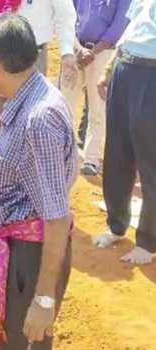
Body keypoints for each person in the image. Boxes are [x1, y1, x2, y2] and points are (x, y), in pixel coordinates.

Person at [0, 14, 76, 350]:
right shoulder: (31, 95)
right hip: (18, 245)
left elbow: (57, 217)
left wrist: (43, 299)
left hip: (31, 255)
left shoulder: (39, 120)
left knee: (22, 342)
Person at [93, 0, 156, 265]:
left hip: (151, 75)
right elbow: (128, 31)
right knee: (117, 152)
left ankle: (148, 242)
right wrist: (108, 70)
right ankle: (116, 225)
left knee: (150, 159)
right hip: (125, 69)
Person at [0, 0, 77, 144]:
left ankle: (24, 165)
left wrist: (67, 53)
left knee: (28, 116)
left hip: (31, 57)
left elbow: (65, 15)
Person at [60, 0, 131, 177]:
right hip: (75, 51)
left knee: (97, 108)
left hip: (103, 54)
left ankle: (91, 159)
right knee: (64, 104)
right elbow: (69, 16)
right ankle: (62, 152)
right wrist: (77, 47)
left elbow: (117, 28)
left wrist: (92, 52)